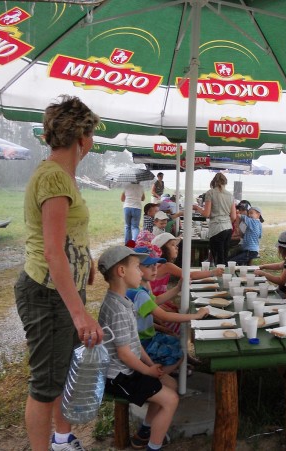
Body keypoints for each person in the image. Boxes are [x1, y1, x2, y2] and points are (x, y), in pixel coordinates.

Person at [14, 95, 103, 451]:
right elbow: (52, 252)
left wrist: (87, 259)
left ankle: (63, 440)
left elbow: (67, 237)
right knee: (45, 383)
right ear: (81, 137)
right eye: (92, 134)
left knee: (65, 370)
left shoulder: (62, 175)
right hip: (47, 293)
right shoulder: (54, 178)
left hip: (64, 289)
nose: (92, 142)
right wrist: (80, 314)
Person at [96, 246, 178, 451]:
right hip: (119, 376)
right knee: (171, 399)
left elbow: (134, 342)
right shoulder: (116, 309)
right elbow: (124, 353)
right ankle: (153, 446)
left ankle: (144, 432)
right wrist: (147, 370)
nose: (141, 272)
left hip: (131, 368)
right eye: (137, 267)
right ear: (121, 272)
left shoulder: (124, 300)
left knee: (170, 384)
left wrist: (150, 364)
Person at [126, 246, 209, 379]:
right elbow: (163, 315)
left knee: (175, 340)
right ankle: (154, 379)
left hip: (143, 336)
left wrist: (177, 288)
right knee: (179, 351)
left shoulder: (141, 288)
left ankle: (157, 374)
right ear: (136, 269)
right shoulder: (138, 294)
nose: (155, 269)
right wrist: (196, 316)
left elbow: (157, 300)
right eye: (148, 266)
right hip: (141, 342)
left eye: (155, 265)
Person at [193, 173, 236, 265]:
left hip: (217, 228)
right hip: (228, 228)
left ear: (213, 183)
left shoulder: (210, 193)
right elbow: (233, 216)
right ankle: (226, 277)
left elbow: (206, 214)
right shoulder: (230, 195)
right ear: (225, 183)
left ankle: (219, 277)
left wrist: (197, 208)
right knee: (224, 256)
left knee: (218, 258)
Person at [254, 229, 286, 297]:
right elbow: (279, 265)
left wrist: (264, 274)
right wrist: (263, 266)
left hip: (284, 294)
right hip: (283, 291)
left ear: (281, 249)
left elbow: (281, 281)